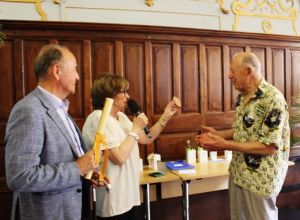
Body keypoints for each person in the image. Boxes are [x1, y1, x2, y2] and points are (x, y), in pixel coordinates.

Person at [5, 44, 100, 220]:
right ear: (57, 71)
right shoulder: (28, 110)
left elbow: (69, 160)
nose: (78, 77)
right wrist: (77, 169)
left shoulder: (60, 109)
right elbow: (19, 176)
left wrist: (86, 176)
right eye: (75, 70)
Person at [195, 52, 290, 220]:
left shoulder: (273, 99)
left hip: (260, 180)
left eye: (233, 71)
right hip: (238, 174)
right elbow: (241, 129)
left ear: (248, 71)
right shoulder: (241, 97)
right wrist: (218, 134)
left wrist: (224, 144)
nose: (229, 75)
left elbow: (269, 147)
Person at [82, 74, 181, 220]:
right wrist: (135, 129)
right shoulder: (98, 118)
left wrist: (166, 116)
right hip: (114, 202)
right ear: (109, 95)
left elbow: (146, 138)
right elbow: (120, 158)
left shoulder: (120, 117)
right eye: (123, 92)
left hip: (130, 196)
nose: (127, 96)